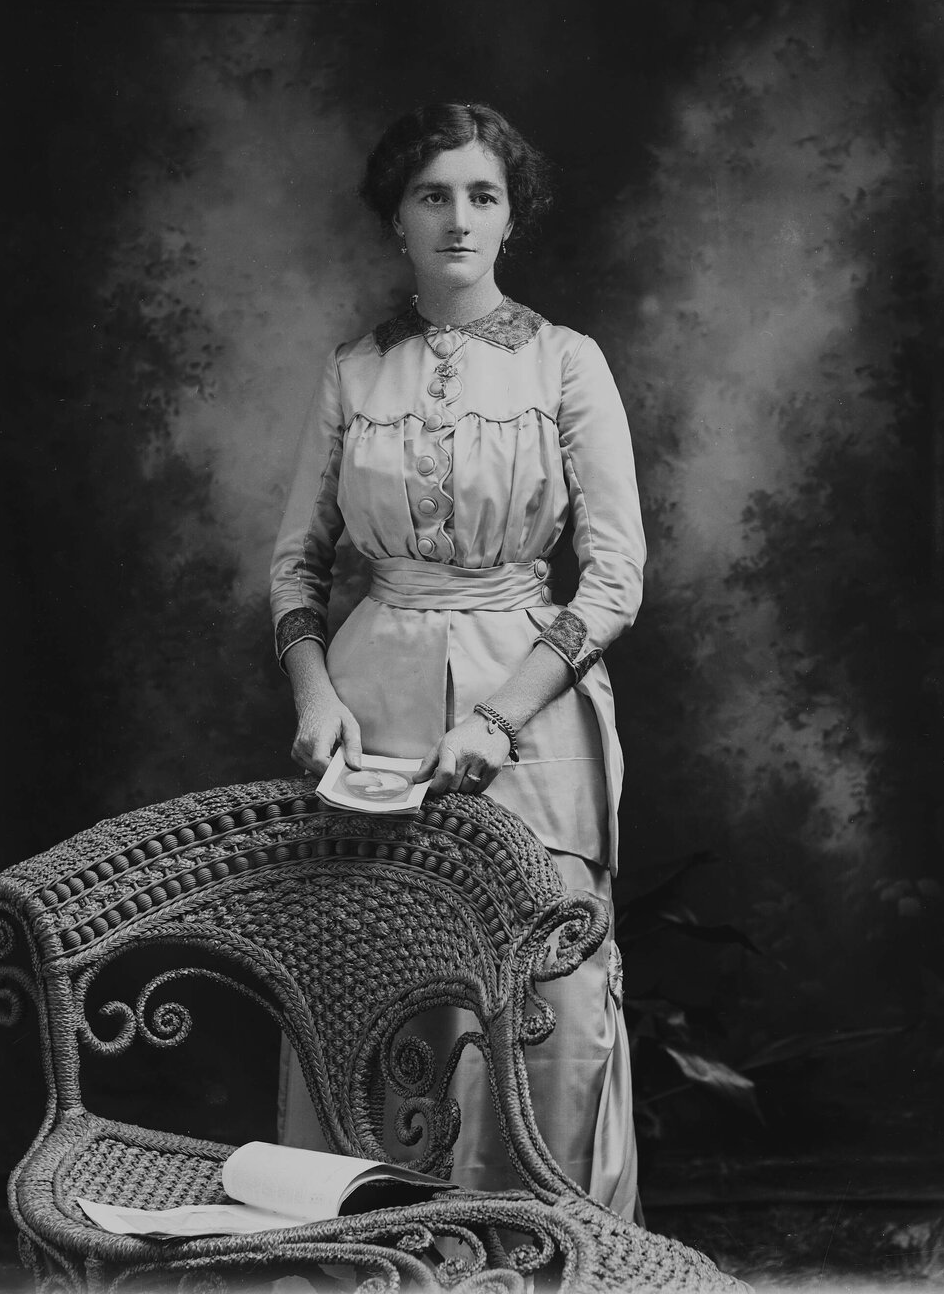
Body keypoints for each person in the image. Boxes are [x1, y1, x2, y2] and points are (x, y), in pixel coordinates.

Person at [269, 102, 646, 1220]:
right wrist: (314, 693)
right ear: (396, 216)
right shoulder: (352, 373)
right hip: (369, 708)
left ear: (511, 215)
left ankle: (533, 1244)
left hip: (530, 702)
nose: (458, 217)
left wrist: (499, 717)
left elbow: (616, 576)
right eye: (432, 194)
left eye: (481, 194)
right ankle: (383, 1248)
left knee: (552, 1001)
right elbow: (295, 565)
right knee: (382, 990)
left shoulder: (566, 364)